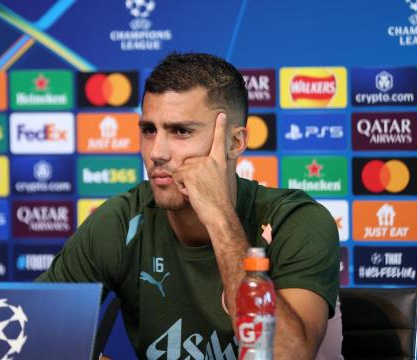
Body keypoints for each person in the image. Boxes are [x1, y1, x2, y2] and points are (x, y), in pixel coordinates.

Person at [37, 52, 341, 359]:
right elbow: (29, 336)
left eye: (181, 131)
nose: (157, 152)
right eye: (149, 130)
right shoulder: (121, 221)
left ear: (234, 143)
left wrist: (219, 218)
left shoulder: (295, 221)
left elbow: (287, 356)